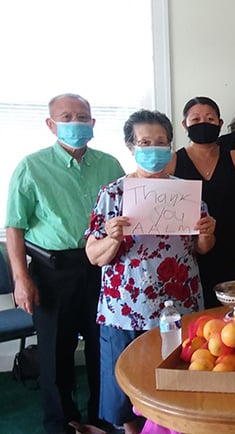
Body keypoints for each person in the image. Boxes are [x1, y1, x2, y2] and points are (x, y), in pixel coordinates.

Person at [85, 109, 216, 434]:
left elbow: (202, 249)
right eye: (145, 142)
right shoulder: (113, 194)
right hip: (126, 308)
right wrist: (112, 239)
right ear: (131, 147)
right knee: (123, 391)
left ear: (170, 146)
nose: (154, 148)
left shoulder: (185, 193)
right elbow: (93, 256)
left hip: (178, 307)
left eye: (161, 142)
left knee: (175, 381)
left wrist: (207, 233)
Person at [5, 93, 125, 433]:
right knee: (56, 351)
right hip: (53, 270)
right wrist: (20, 278)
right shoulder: (31, 167)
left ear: (93, 123)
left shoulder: (109, 165)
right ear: (50, 124)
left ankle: (103, 419)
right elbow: (14, 227)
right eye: (67, 117)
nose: (76, 123)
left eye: (82, 116)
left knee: (103, 347)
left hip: (103, 266)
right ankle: (61, 422)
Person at [166, 96, 235, 308]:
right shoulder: (173, 161)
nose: (203, 123)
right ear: (184, 125)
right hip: (194, 252)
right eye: (195, 119)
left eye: (210, 119)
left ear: (220, 124)